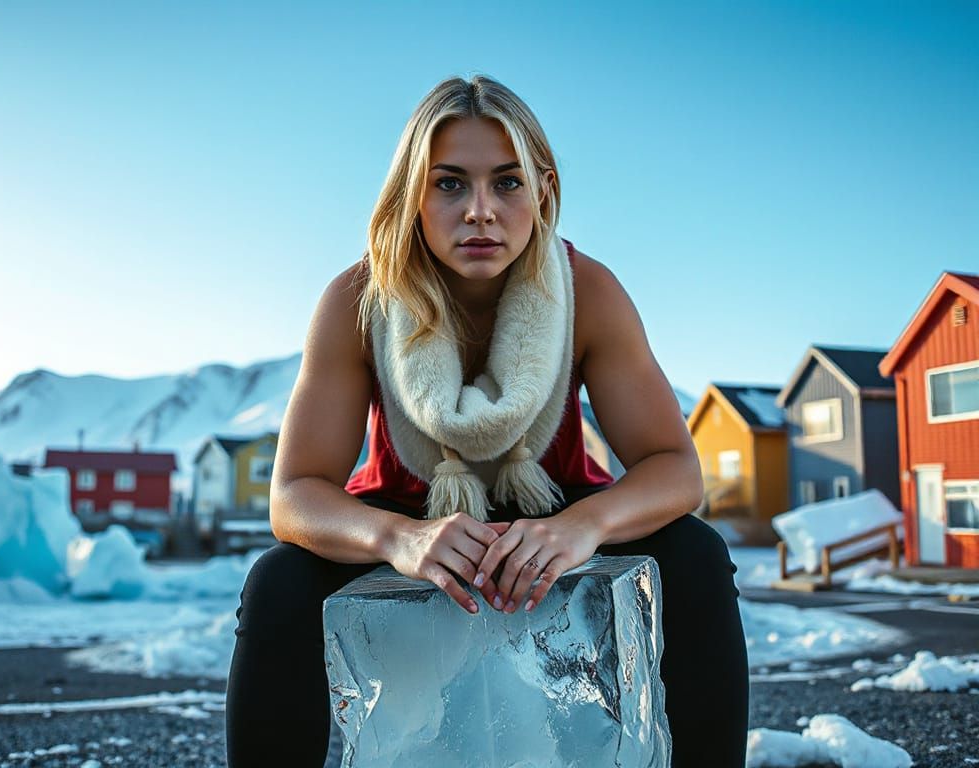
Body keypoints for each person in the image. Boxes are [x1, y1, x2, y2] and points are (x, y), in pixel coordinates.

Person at [225, 74, 748, 767]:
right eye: (449, 184)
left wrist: (580, 527)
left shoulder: (587, 289)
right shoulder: (357, 298)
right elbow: (293, 496)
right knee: (278, 583)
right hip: (409, 512)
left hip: (550, 507)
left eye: (507, 183)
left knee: (698, 556)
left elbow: (676, 468)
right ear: (413, 193)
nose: (480, 211)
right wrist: (398, 538)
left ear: (544, 192)